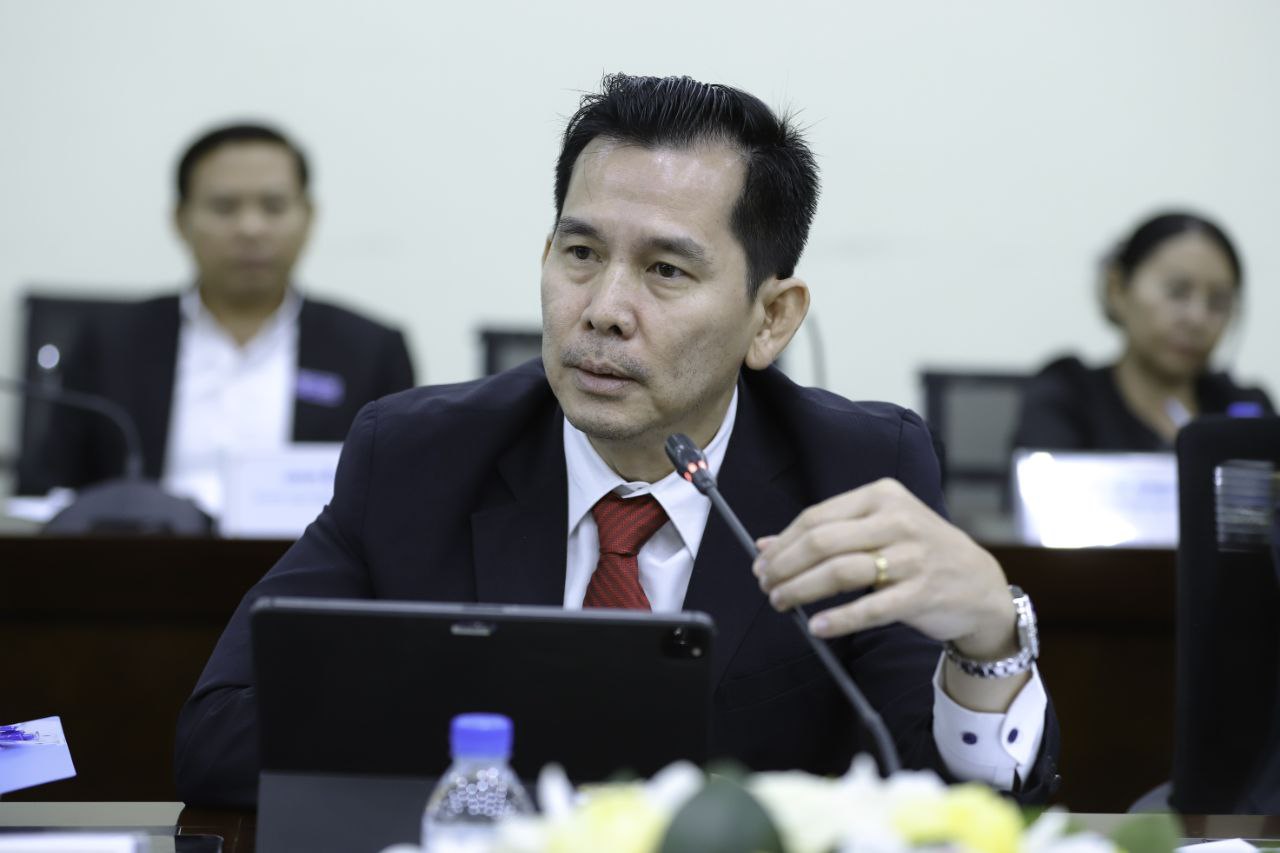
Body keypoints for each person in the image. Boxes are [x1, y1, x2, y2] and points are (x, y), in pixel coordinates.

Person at [176, 75, 1060, 806]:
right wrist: (524, 741)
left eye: (665, 270)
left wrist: (990, 644)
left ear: (771, 318)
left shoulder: (856, 473)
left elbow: (956, 798)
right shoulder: (416, 456)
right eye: (581, 254)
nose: (601, 309)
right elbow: (219, 734)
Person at [18, 123, 416, 516]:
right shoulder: (112, 343)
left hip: (307, 557)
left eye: (273, 206)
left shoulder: (370, 351)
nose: (250, 228)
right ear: (180, 220)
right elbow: (47, 492)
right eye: (224, 207)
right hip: (148, 553)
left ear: (308, 217)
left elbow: (401, 498)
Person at [1014, 212, 1274, 451]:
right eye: (1177, 292)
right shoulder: (1067, 396)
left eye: (1218, 302)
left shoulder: (1245, 409)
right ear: (1117, 289)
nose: (1197, 319)